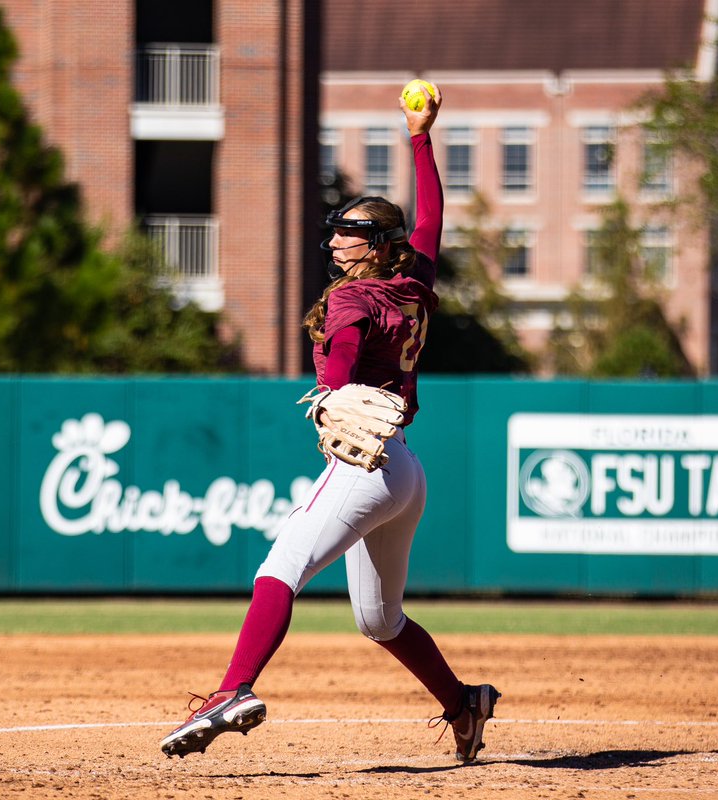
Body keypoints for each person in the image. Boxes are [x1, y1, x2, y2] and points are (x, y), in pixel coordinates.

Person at [160, 84, 500, 763]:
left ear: (375, 245)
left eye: (347, 232)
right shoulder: (414, 290)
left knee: (280, 566)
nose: (336, 240)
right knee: (379, 619)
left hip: (368, 467)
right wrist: (420, 136)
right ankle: (464, 702)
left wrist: (326, 395)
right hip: (404, 467)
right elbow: (429, 218)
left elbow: (339, 374)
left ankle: (233, 690)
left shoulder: (352, 301)